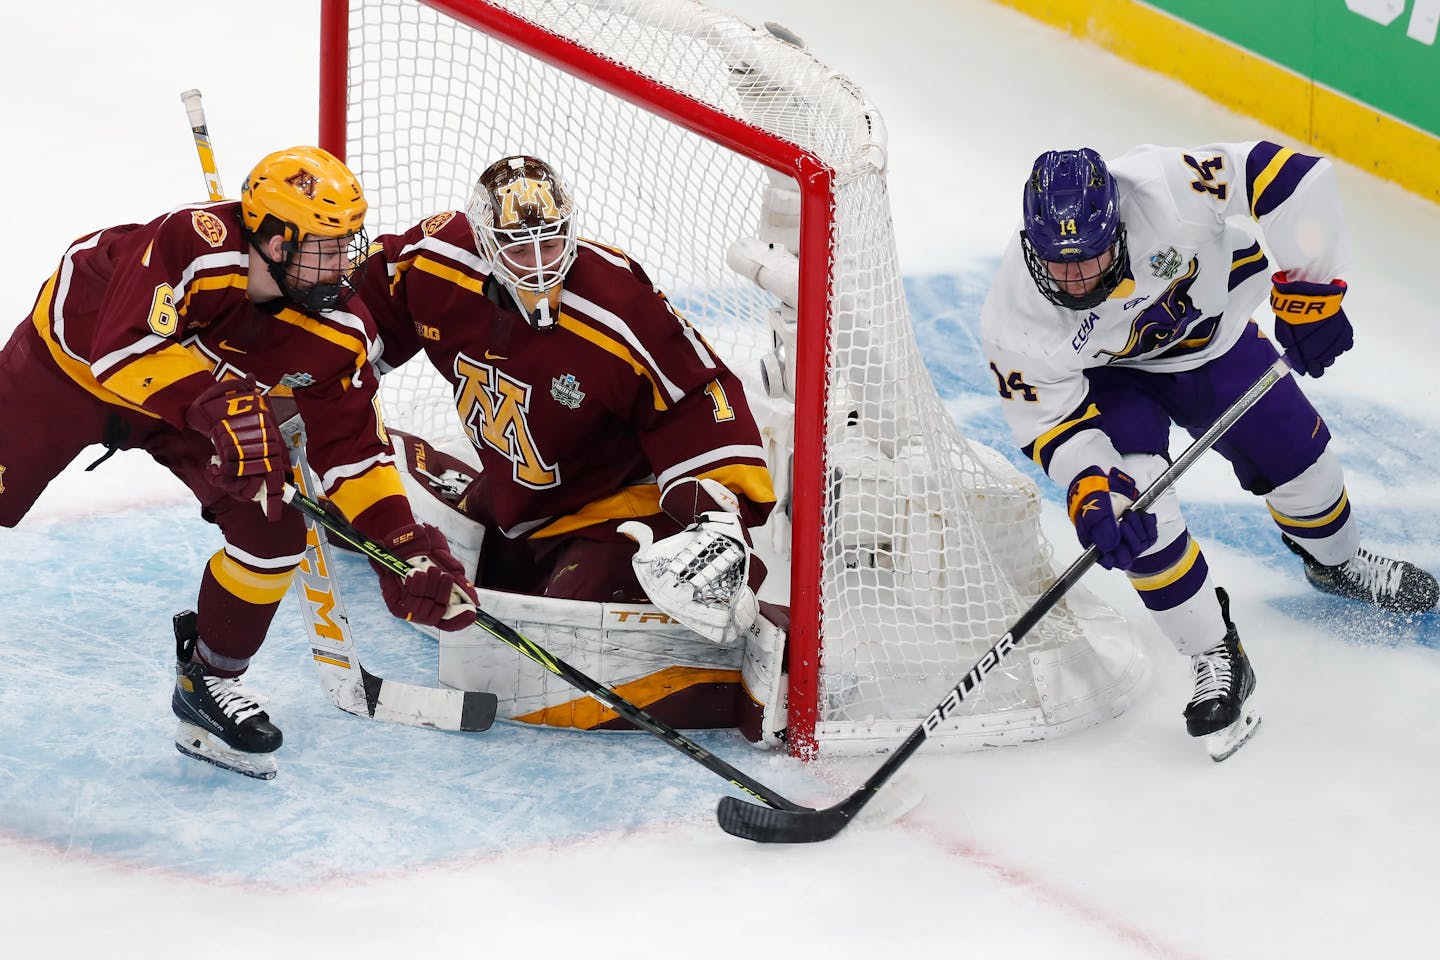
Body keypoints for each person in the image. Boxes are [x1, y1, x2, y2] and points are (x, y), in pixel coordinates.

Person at [0, 146, 478, 780]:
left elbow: (356, 453)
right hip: (67, 376)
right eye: (327, 247)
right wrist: (218, 404)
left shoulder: (341, 332)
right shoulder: (189, 245)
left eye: (347, 243)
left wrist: (402, 541)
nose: (346, 263)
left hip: (195, 404)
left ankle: (207, 684)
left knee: (273, 528)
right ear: (276, 242)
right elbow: (121, 350)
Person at [980, 142, 1438, 761]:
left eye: (1090, 259)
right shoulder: (1016, 319)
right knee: (1138, 519)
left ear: (1118, 223)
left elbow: (1292, 178)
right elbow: (1051, 421)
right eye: (1061, 267)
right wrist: (1092, 483)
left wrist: (1314, 293)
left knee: (1305, 467)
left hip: (1212, 346)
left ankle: (1335, 563)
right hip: (1107, 383)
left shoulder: (1166, 190)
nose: (1078, 280)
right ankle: (1213, 651)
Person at [358, 154, 787, 744]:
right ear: (483, 240)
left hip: (615, 508)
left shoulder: (615, 300)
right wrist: (303, 375)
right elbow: (371, 295)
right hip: (515, 496)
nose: (539, 265)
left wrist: (716, 516)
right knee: (359, 485)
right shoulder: (438, 260)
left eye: (551, 243)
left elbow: (698, 393)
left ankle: (752, 639)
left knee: (560, 638)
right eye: (517, 248)